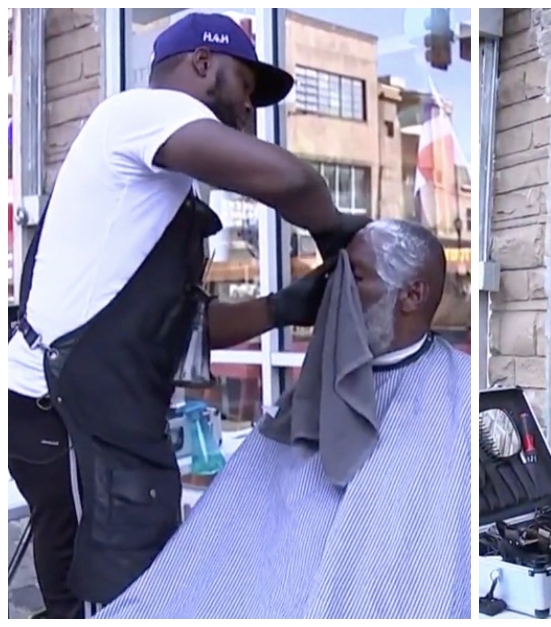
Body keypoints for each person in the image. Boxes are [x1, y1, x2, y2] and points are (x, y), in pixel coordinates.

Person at [7, 13, 368, 619]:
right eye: (245, 87)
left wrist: (282, 308)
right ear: (202, 63)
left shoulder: (158, 190)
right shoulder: (141, 112)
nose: (249, 109)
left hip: (94, 411)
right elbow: (290, 179)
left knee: (137, 587)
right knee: (102, 599)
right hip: (60, 414)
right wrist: (334, 232)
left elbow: (180, 332)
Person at [95, 220, 472, 619]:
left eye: (355, 278)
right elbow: (233, 535)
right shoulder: (310, 394)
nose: (335, 292)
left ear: (412, 295)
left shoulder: (460, 396)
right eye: (335, 277)